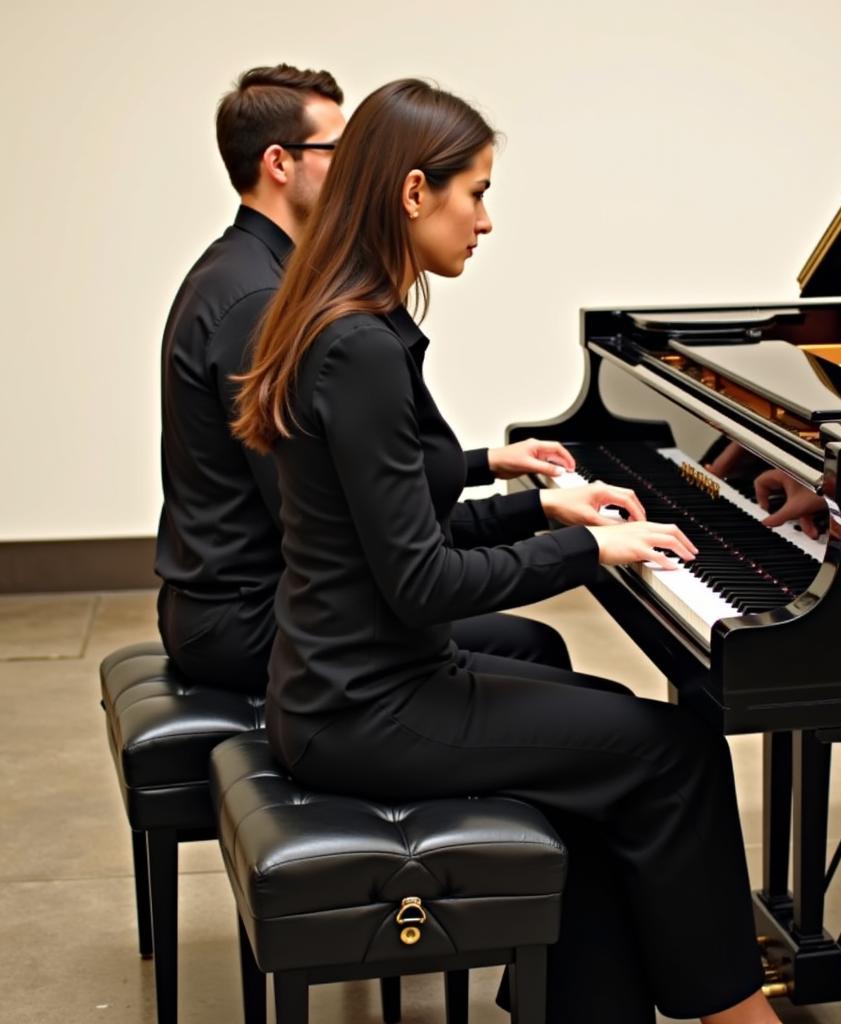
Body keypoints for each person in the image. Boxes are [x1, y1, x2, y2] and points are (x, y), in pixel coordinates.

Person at [233, 78, 780, 1024]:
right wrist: (594, 552)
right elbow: (421, 582)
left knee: (612, 741)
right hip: (367, 705)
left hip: (348, 683)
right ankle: (735, 1012)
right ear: (414, 194)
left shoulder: (341, 317)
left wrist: (548, 510)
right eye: (475, 192)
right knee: (673, 752)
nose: (486, 220)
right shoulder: (357, 345)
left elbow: (415, 524)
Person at [156, 64, 580, 695]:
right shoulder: (261, 300)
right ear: (279, 163)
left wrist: (491, 468)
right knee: (535, 654)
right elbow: (339, 517)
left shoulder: (255, 271)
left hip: (264, 600)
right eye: (338, 148)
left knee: (536, 649)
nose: (358, 163)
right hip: (249, 621)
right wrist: (551, 526)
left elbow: (356, 480)